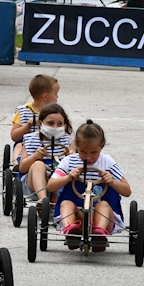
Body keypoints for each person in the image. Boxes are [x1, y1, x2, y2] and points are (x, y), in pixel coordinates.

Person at [47, 120, 132, 252]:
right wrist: (68, 177)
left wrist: (112, 181)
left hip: (103, 216)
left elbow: (127, 191)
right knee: (66, 204)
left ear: (101, 147)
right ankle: (71, 231)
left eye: (94, 152)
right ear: (76, 147)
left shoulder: (107, 162)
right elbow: (50, 186)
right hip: (78, 216)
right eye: (83, 152)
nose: (88, 157)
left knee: (103, 205)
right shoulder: (69, 162)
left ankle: (99, 234)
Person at [18, 103, 73, 203]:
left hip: (59, 180)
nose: (55, 127)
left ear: (64, 125)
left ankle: (60, 199)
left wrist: (71, 157)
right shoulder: (30, 139)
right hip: (34, 184)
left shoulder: (68, 140)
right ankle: (43, 201)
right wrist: (35, 156)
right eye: (50, 123)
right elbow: (22, 168)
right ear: (40, 123)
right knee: (38, 165)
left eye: (59, 124)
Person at [10, 74, 60, 163]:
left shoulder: (54, 112)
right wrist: (27, 125)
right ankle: (18, 163)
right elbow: (14, 136)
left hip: (49, 144)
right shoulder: (23, 111)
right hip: (27, 144)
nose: (57, 97)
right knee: (18, 145)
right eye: (55, 94)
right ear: (45, 97)